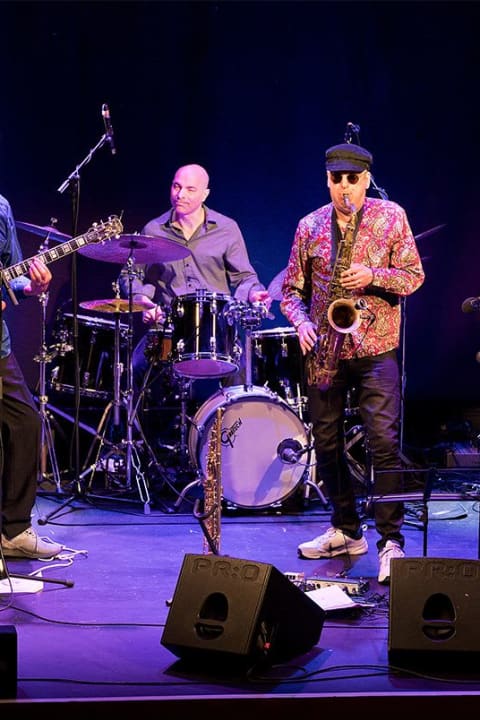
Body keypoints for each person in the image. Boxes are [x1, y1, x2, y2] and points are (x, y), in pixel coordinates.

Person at [280, 142, 425, 584]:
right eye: (337, 179)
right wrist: (302, 322)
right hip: (326, 350)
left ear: (366, 180)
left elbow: (414, 276)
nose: (344, 188)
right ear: (328, 180)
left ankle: (391, 541)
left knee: (383, 443)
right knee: (326, 444)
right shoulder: (310, 225)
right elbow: (291, 291)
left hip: (377, 348)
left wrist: (373, 276)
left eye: (353, 179)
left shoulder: (391, 216)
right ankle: (346, 529)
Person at [118, 163, 272, 433]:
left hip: (217, 329)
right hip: (169, 329)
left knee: (240, 377)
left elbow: (245, 277)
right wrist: (142, 300)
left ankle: (235, 441)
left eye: (190, 189)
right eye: (176, 186)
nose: (180, 195)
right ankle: (141, 445)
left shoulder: (227, 228)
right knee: (135, 369)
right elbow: (130, 276)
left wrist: (254, 291)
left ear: (205, 194)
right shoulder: (154, 230)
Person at [0, 192, 63, 559]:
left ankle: (14, 531)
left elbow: (13, 275)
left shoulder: (1, 207)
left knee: (25, 422)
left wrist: (32, 286)